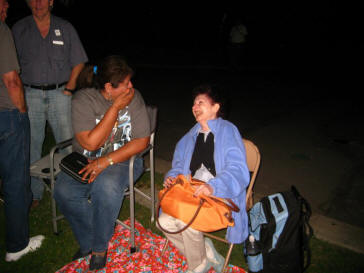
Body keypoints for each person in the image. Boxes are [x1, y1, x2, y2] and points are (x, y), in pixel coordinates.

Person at [54, 55, 150, 270]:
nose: (131, 86)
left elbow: (142, 141)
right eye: (126, 83)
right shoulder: (82, 100)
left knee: (105, 187)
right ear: (109, 87)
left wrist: (106, 161)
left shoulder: (134, 98)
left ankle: (98, 248)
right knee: (63, 191)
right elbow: (91, 143)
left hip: (124, 159)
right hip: (87, 159)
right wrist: (115, 109)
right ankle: (90, 240)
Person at [157, 84, 250, 273]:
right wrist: (172, 178)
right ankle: (205, 253)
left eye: (200, 102)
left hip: (219, 193)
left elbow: (238, 169)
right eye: (193, 103)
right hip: (191, 193)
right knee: (164, 222)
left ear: (216, 107)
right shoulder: (188, 138)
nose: (195, 106)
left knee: (186, 220)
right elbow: (177, 167)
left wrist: (213, 187)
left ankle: (197, 266)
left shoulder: (228, 131)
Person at [12, 0, 88, 207]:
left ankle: (70, 190)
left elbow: (79, 61)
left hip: (60, 93)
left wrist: (69, 89)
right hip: (30, 94)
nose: (38, 3)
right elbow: (11, 66)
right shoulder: (19, 29)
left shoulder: (65, 27)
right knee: (32, 144)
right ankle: (35, 193)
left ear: (51, 1)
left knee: (67, 142)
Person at [0, 0, 44, 262]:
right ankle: (17, 246)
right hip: (7, 115)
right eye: (2, 3)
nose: (5, 8)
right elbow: (12, 79)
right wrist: (22, 112)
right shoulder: (3, 29)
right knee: (16, 180)